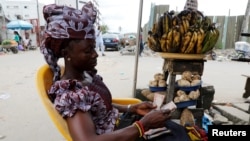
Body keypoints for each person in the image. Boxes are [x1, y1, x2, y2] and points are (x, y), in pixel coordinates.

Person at [40, 2, 189, 141]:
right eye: (88, 50)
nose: (95, 54)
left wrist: (132, 108)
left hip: (124, 126)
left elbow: (99, 108)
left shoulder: (86, 74)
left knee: (176, 130)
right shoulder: (70, 94)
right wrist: (143, 125)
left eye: (94, 47)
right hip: (119, 135)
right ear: (67, 53)